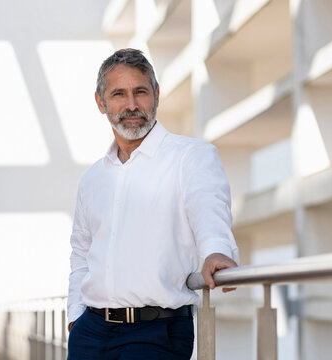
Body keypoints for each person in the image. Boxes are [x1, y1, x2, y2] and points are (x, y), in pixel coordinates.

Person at [67, 48, 239, 359]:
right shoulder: (91, 179)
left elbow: (209, 210)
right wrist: (74, 317)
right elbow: (81, 253)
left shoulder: (191, 157)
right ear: (100, 102)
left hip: (156, 332)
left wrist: (217, 250)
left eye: (140, 92)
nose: (131, 105)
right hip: (90, 333)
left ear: (156, 95)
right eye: (118, 94)